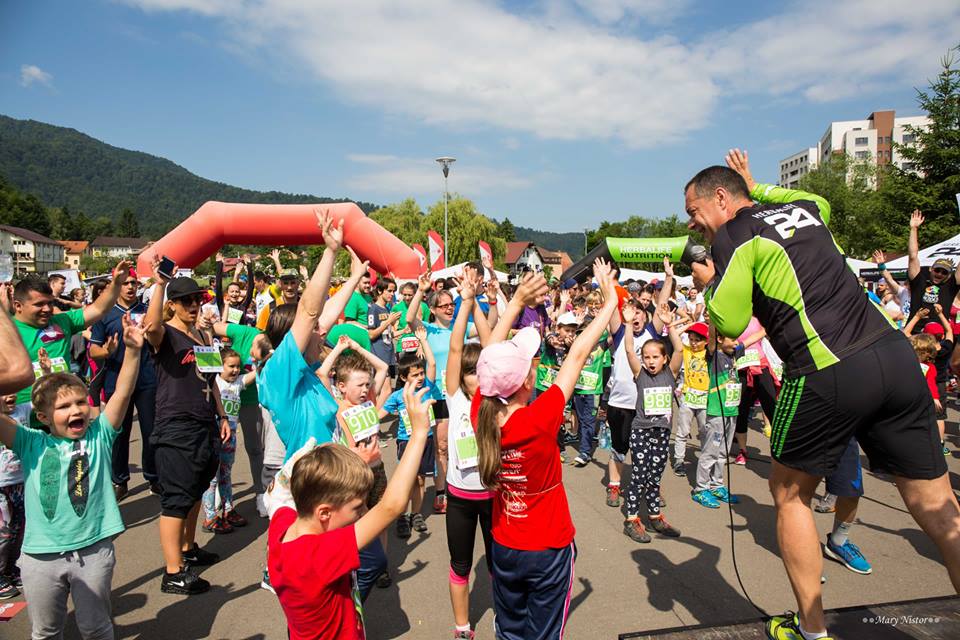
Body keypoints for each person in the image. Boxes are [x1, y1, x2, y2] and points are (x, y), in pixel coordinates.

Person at [685, 148, 958, 640]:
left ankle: (812, 631)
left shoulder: (733, 235)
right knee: (939, 506)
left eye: (694, 211)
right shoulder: (807, 208)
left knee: (790, 493)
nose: (692, 224)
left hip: (826, 368)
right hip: (894, 356)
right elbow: (815, 199)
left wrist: (711, 282)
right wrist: (758, 185)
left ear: (721, 197)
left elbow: (729, 321)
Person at [473, 260, 617, 640]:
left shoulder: (481, 413)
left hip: (505, 544)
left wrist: (517, 302)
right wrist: (609, 304)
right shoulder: (539, 419)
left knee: (510, 630)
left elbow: (490, 356)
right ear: (527, 381)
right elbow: (578, 355)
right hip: (548, 547)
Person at [257, 211, 387, 600]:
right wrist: (329, 252)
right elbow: (310, 313)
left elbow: (321, 317)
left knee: (358, 567)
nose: (322, 333)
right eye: (315, 332)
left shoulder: (310, 373)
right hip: (312, 489)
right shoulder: (280, 375)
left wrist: (354, 276)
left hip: (332, 478)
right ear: (293, 340)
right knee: (340, 574)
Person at [0, 313, 146, 639]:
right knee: (46, 631)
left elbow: (123, 393)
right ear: (42, 417)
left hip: (93, 551)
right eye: (64, 407)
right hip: (40, 557)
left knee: (96, 628)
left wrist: (134, 351)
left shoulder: (100, 435)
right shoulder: (30, 442)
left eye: (81, 402)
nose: (76, 410)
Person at [267, 380, 434, 640]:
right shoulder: (317, 556)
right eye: (356, 508)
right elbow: (391, 506)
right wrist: (419, 433)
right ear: (324, 513)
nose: (362, 513)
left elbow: (279, 490)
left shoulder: (283, 525)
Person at [144, 260, 232, 596]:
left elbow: (211, 381)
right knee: (177, 497)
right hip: (176, 424)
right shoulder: (165, 334)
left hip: (204, 421)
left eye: (197, 299)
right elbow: (151, 325)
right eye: (186, 301)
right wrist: (159, 285)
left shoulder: (203, 334)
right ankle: (173, 572)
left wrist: (222, 416)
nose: (194, 305)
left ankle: (188, 547)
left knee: (196, 487)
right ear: (173, 305)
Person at [11, 262, 132, 428]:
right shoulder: (7, 331)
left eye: (50, 303)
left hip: (62, 420)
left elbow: (99, 309)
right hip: (23, 423)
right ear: (18, 305)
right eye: (39, 304)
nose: (47, 309)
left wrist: (116, 283)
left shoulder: (62, 321)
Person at [443, 267, 493, 640]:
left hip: (494, 496)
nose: (475, 376)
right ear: (461, 376)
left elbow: (491, 347)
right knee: (460, 566)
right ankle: (462, 627)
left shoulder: (495, 399)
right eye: (469, 372)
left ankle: (505, 618)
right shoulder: (455, 398)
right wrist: (465, 303)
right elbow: (457, 348)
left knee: (499, 564)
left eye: (480, 371)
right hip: (460, 498)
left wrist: (477, 305)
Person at [405, 273, 478, 514]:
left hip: (461, 393)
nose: (449, 309)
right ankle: (441, 491)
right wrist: (420, 290)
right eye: (444, 306)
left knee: (464, 438)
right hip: (437, 394)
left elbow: (488, 324)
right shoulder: (427, 330)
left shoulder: (461, 326)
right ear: (433, 310)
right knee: (442, 445)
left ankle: (464, 483)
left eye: (451, 305)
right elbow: (409, 318)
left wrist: (480, 298)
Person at [89, 270, 159, 501]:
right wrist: (106, 351)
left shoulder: (147, 311)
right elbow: (93, 350)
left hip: (147, 379)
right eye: (126, 283)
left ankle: (153, 477)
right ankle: (120, 480)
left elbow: (159, 340)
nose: (130, 287)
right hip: (116, 382)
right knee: (119, 433)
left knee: (151, 431)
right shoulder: (105, 314)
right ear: (117, 285)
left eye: (134, 283)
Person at [619, 302, 683, 542]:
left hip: (662, 433)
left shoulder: (671, 373)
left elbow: (679, 350)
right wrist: (627, 323)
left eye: (656, 357)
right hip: (641, 432)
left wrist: (670, 326)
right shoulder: (640, 374)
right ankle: (632, 519)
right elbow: (628, 349)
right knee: (639, 476)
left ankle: (655, 516)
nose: (651, 361)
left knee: (655, 477)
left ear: (664, 359)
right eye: (646, 357)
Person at [209, 318, 273, 517]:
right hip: (219, 414)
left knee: (254, 449)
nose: (236, 370)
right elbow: (210, 332)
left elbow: (255, 373)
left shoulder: (276, 346)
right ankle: (216, 497)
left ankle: (261, 494)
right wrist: (206, 326)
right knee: (215, 457)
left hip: (251, 401)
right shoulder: (244, 332)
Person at [379, 328, 437, 539]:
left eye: (421, 373)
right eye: (415, 375)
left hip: (426, 440)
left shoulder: (426, 388)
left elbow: (432, 364)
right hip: (406, 441)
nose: (420, 377)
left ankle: (416, 514)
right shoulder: (397, 396)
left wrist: (423, 341)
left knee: (420, 480)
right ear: (403, 377)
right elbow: (378, 414)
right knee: (407, 480)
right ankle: (401, 516)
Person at [200, 348, 257, 534]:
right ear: (220, 366)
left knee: (226, 474)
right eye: (231, 366)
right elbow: (206, 363)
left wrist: (266, 359)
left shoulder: (238, 383)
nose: (235, 370)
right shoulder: (215, 382)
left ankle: (228, 510)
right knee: (212, 478)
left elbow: (256, 373)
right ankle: (210, 516)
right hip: (214, 435)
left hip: (230, 437)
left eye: (238, 366)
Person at [690, 324, 741, 509]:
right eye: (732, 339)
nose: (736, 343)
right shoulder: (715, 355)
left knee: (723, 452)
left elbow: (752, 339)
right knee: (710, 451)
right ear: (720, 339)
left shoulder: (734, 353)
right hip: (717, 412)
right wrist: (713, 316)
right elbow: (711, 339)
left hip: (731, 411)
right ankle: (701, 489)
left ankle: (717, 485)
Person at [903, 306, 953, 455]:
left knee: (918, 414)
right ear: (941, 336)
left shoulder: (919, 350)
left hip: (920, 385)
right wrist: (941, 314)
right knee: (940, 417)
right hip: (940, 385)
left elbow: (905, 333)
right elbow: (950, 331)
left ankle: (916, 443)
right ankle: (940, 444)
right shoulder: (945, 349)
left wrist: (917, 316)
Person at [906, 210, 960, 321]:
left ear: (949, 275)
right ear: (931, 269)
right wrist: (914, 229)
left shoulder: (950, 286)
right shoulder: (919, 281)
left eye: (944, 272)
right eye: (937, 270)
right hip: (915, 330)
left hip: (939, 331)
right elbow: (913, 256)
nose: (940, 274)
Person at [672, 322, 709, 476]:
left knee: (705, 431)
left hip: (705, 398)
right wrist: (693, 323)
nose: (693, 343)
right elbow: (674, 334)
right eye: (691, 339)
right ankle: (679, 460)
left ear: (706, 341)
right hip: (688, 397)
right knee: (682, 431)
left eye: (697, 340)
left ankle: (706, 461)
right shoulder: (686, 351)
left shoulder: (710, 354)